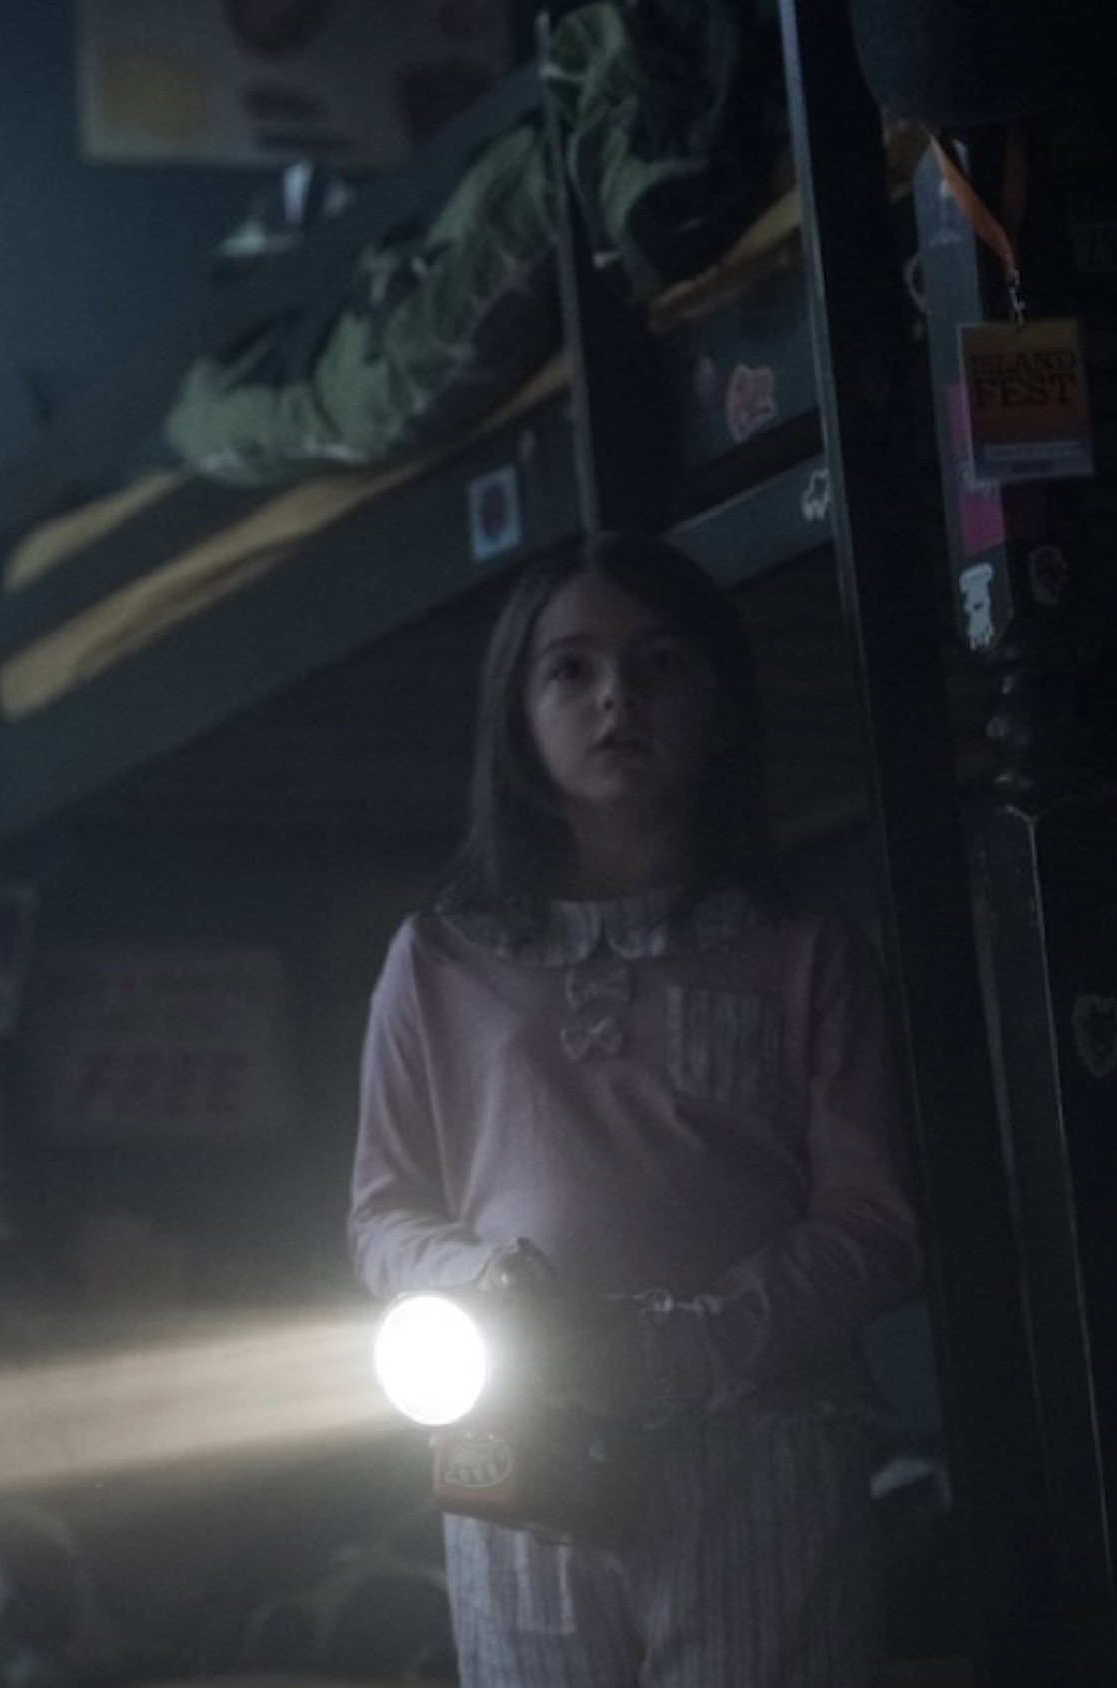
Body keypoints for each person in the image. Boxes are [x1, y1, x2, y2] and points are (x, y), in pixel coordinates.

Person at [347, 532, 923, 1686]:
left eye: (659, 663)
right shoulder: (441, 958)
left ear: (721, 705)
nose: (617, 695)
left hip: (760, 1446)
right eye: (572, 668)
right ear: (518, 714)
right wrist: (481, 1280)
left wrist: (692, 1339)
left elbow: (878, 1220)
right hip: (520, 1440)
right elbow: (383, 1213)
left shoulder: (801, 945)